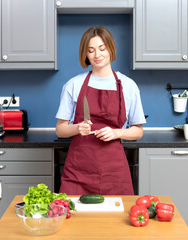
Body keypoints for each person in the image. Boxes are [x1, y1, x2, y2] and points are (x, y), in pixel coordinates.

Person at [55, 26, 146, 195]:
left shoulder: (128, 86)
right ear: (86, 55)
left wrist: (117, 133)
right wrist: (77, 128)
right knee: (73, 220)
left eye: (102, 49)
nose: (97, 55)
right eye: (91, 51)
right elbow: (60, 130)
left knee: (116, 220)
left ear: (111, 49)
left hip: (115, 172)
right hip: (78, 172)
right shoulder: (73, 85)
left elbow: (138, 131)